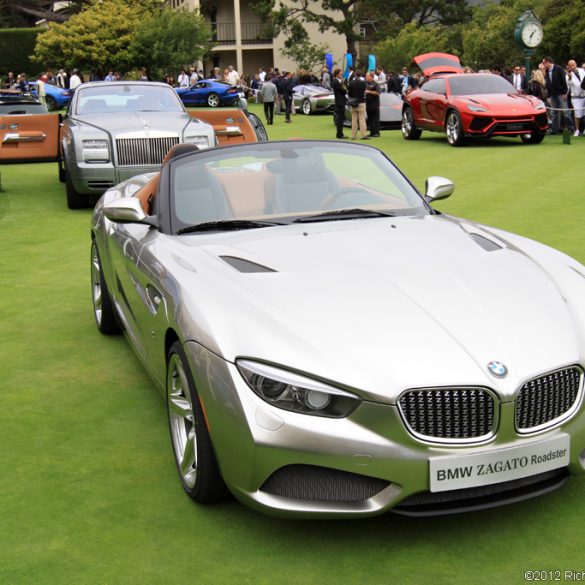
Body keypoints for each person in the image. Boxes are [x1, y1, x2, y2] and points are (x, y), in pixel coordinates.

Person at [542, 56, 574, 134]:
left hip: (560, 93)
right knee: (554, 113)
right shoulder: (547, 71)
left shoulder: (558, 69)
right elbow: (548, 84)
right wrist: (549, 95)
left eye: (544, 63)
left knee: (565, 112)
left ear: (548, 62)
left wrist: (564, 92)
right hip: (553, 94)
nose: (543, 64)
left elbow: (563, 81)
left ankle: (570, 128)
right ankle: (554, 129)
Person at [566, 60, 585, 136]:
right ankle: (577, 130)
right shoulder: (568, 75)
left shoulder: (582, 71)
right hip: (576, 96)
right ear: (568, 67)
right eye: (570, 66)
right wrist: (570, 78)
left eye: (573, 65)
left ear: (576, 64)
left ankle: (583, 130)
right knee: (577, 114)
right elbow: (569, 84)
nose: (572, 67)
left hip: (584, 94)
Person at [348, 69, 368, 140]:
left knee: (354, 120)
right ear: (361, 75)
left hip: (354, 102)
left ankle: (353, 135)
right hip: (361, 102)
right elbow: (364, 91)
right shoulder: (363, 83)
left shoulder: (351, 83)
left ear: (355, 74)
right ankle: (363, 135)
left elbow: (349, 93)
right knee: (362, 120)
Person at [331, 67, 347, 139]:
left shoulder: (338, 82)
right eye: (340, 74)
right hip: (339, 102)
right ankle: (339, 134)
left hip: (341, 101)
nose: (341, 75)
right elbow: (343, 91)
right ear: (337, 74)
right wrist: (344, 87)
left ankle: (340, 133)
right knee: (340, 119)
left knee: (341, 118)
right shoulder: (336, 82)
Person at [365, 70, 381, 137]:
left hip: (375, 103)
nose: (366, 77)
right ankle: (371, 132)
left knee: (375, 118)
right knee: (370, 118)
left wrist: (369, 92)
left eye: (367, 76)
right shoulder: (365, 83)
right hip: (368, 103)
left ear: (371, 77)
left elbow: (378, 93)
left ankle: (376, 132)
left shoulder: (376, 84)